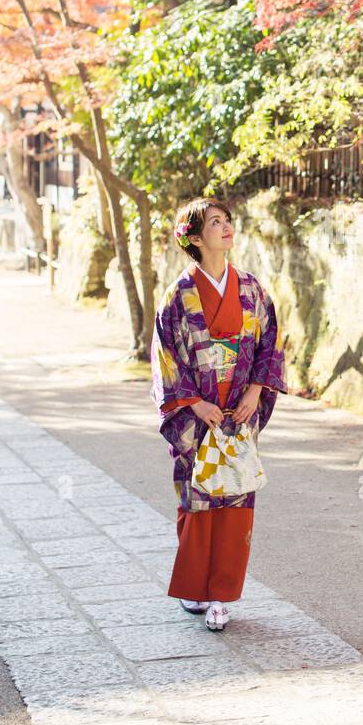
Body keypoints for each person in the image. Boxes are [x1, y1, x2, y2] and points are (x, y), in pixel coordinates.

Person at [150, 196, 287, 630]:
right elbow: (166, 355)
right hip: (197, 412)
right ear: (193, 236)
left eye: (227, 220)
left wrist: (256, 389)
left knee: (235, 495)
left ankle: (222, 595)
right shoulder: (178, 295)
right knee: (196, 493)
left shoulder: (250, 288)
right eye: (215, 222)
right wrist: (192, 401)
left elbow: (270, 342)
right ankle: (196, 587)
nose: (226, 227)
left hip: (240, 409)